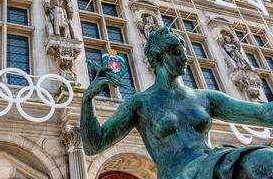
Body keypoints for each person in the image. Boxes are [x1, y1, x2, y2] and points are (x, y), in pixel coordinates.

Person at [81, 26, 273, 179]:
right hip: (178, 173)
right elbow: (93, 145)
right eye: (175, 52)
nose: (184, 58)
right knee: (261, 160)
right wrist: (87, 100)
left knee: (266, 160)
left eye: (183, 52)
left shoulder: (205, 97)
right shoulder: (140, 103)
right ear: (157, 58)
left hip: (211, 163)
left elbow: (263, 113)